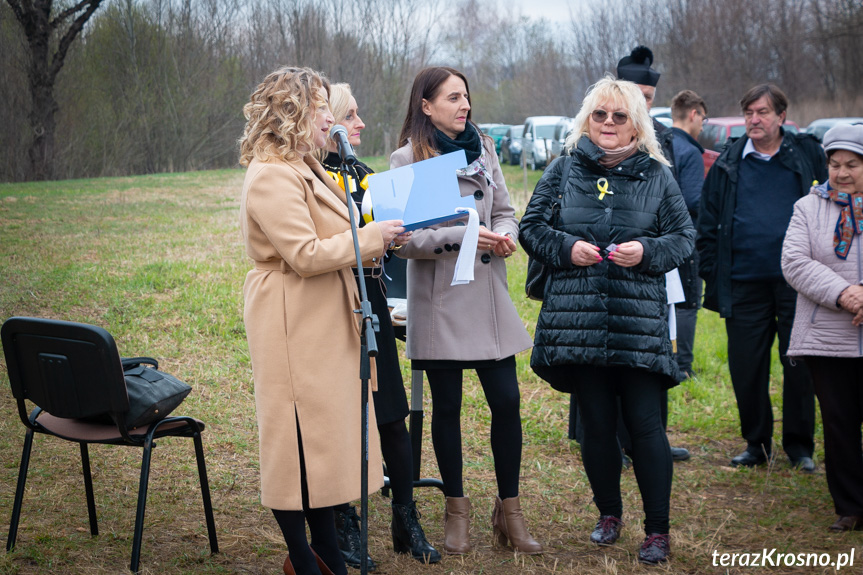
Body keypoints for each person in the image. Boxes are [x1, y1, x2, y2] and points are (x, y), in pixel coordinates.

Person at [238, 67, 407, 575]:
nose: (330, 117)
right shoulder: (271, 173)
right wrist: (370, 239)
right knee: (294, 441)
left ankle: (327, 553)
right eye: (320, 108)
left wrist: (372, 246)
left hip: (324, 315)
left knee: (323, 438)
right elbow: (304, 253)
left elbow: (335, 235)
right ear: (292, 113)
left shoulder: (305, 164)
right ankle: (305, 561)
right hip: (291, 317)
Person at [519, 76, 694, 565]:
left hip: (637, 323)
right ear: (587, 120)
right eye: (600, 115)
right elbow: (531, 228)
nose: (609, 124)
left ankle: (657, 530)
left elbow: (683, 238)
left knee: (645, 425)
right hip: (578, 319)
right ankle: (609, 513)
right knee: (595, 423)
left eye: (619, 116)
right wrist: (565, 248)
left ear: (636, 123)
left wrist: (647, 251)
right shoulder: (563, 170)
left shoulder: (658, 175)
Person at [391, 66, 541, 556]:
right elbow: (408, 241)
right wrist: (470, 232)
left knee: (507, 402)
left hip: (487, 296)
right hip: (439, 304)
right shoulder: (410, 160)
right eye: (453, 97)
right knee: (447, 410)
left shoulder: (486, 148)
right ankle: (456, 511)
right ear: (426, 105)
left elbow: (503, 211)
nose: (465, 105)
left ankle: (510, 513)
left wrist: (507, 235)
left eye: (467, 96)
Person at [317, 83, 440, 567]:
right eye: (351, 116)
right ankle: (344, 519)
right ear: (327, 124)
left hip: (373, 303)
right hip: (330, 306)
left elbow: (393, 237)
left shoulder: (366, 175)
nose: (360, 125)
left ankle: (405, 516)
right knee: (344, 416)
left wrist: (398, 234)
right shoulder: (311, 178)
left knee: (391, 411)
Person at [697, 83, 827, 471]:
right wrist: (711, 269)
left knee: (800, 365)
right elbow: (708, 221)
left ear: (781, 117)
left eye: (763, 113)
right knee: (746, 367)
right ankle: (756, 444)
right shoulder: (728, 161)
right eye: (749, 112)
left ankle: (800, 448)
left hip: (797, 284)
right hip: (743, 283)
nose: (754, 119)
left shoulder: (805, 156)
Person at [782, 123, 863, 532]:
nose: (842, 173)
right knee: (839, 421)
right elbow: (795, 263)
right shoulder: (807, 208)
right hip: (829, 336)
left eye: (852, 164)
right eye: (835, 165)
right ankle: (850, 506)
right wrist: (847, 293)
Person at [617, 45, 690, 462]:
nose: (644, 105)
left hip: (653, 256)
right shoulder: (601, 132)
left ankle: (652, 435)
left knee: (655, 347)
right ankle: (615, 439)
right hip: (613, 257)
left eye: (649, 98)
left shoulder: (663, 138)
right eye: (636, 98)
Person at [670, 89, 708, 379]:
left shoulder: (661, 142)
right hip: (683, 239)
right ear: (693, 114)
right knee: (687, 300)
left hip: (656, 236)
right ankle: (683, 365)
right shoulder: (691, 151)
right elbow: (694, 200)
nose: (702, 126)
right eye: (703, 119)